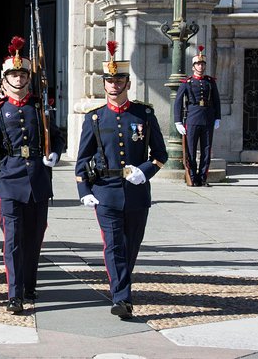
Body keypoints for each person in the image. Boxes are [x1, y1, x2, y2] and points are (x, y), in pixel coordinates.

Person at [75, 40, 168, 320]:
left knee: (130, 247)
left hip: (137, 192)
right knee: (114, 245)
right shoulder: (95, 119)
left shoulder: (144, 114)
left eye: (119, 80)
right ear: (104, 84)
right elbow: (82, 159)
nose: (114, 85)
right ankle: (122, 298)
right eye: (110, 81)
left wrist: (145, 171)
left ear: (127, 83)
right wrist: (84, 189)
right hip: (106, 191)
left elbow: (160, 154)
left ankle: (121, 285)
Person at [0, 36, 64, 314]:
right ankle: (14, 294)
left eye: (22, 74)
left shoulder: (40, 107)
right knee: (13, 240)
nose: (18, 79)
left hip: (38, 180)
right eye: (13, 74)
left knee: (34, 237)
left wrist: (55, 153)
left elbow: (56, 137)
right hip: (9, 179)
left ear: (28, 77)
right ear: (4, 80)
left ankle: (30, 285)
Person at [174, 45, 221, 187]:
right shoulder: (187, 82)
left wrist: (217, 117)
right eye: (198, 64)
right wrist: (178, 122)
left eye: (202, 64)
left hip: (207, 118)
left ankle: (203, 177)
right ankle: (192, 177)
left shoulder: (210, 82)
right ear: (193, 66)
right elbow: (178, 102)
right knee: (191, 150)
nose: (200, 66)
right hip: (192, 118)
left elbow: (216, 100)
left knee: (206, 149)